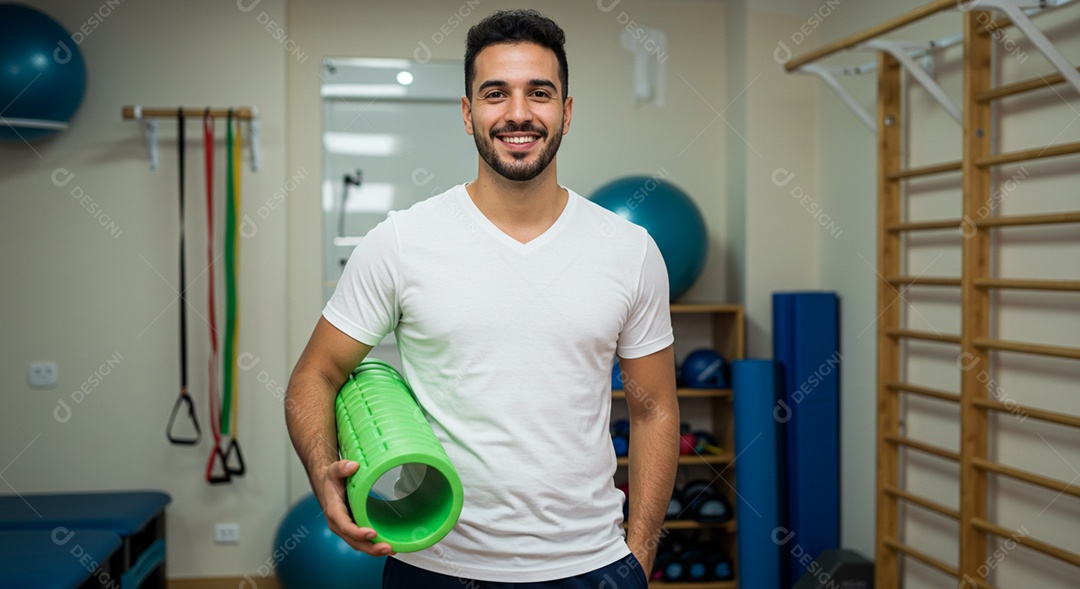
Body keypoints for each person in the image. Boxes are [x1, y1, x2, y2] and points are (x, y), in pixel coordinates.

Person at [285, 9, 679, 588]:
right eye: (496, 94)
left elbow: (655, 408)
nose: (518, 113)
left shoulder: (630, 251)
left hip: (592, 567)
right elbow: (314, 375)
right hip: (435, 564)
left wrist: (639, 553)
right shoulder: (400, 242)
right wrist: (323, 470)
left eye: (539, 93)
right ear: (468, 113)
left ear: (566, 113)